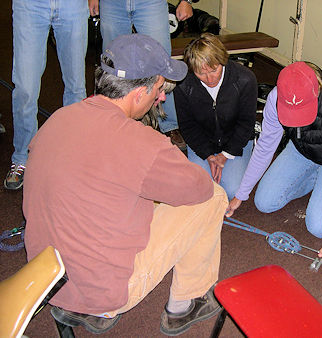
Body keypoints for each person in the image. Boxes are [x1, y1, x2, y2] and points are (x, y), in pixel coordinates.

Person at [23, 34, 228, 336]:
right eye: (159, 90)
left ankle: (85, 301)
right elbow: (200, 188)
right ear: (138, 93)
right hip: (101, 293)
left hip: (47, 281)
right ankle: (186, 304)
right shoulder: (141, 143)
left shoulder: (58, 118)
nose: (161, 98)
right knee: (214, 197)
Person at [226, 61, 322, 258]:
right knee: (264, 203)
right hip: (302, 149)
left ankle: (321, 180)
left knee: (319, 227)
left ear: (316, 92)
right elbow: (265, 147)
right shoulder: (276, 96)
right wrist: (240, 194)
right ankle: (315, 179)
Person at [88, 0, 196, 150]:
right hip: (112, 4)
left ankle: (169, 124)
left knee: (162, 61)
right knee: (113, 64)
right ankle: (114, 119)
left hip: (150, 3)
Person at [4, 0, 89, 190]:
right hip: (30, 6)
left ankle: (73, 155)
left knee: (76, 88)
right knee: (25, 87)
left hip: (72, 5)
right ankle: (22, 157)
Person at [174, 33, 257, 200]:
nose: (209, 79)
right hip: (203, 140)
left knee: (231, 190)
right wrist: (208, 155)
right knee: (201, 188)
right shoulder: (183, 84)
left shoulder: (245, 79)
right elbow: (188, 125)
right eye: (201, 73)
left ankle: (247, 153)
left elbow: (246, 123)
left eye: (214, 70)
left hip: (235, 141)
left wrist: (225, 155)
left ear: (222, 61)